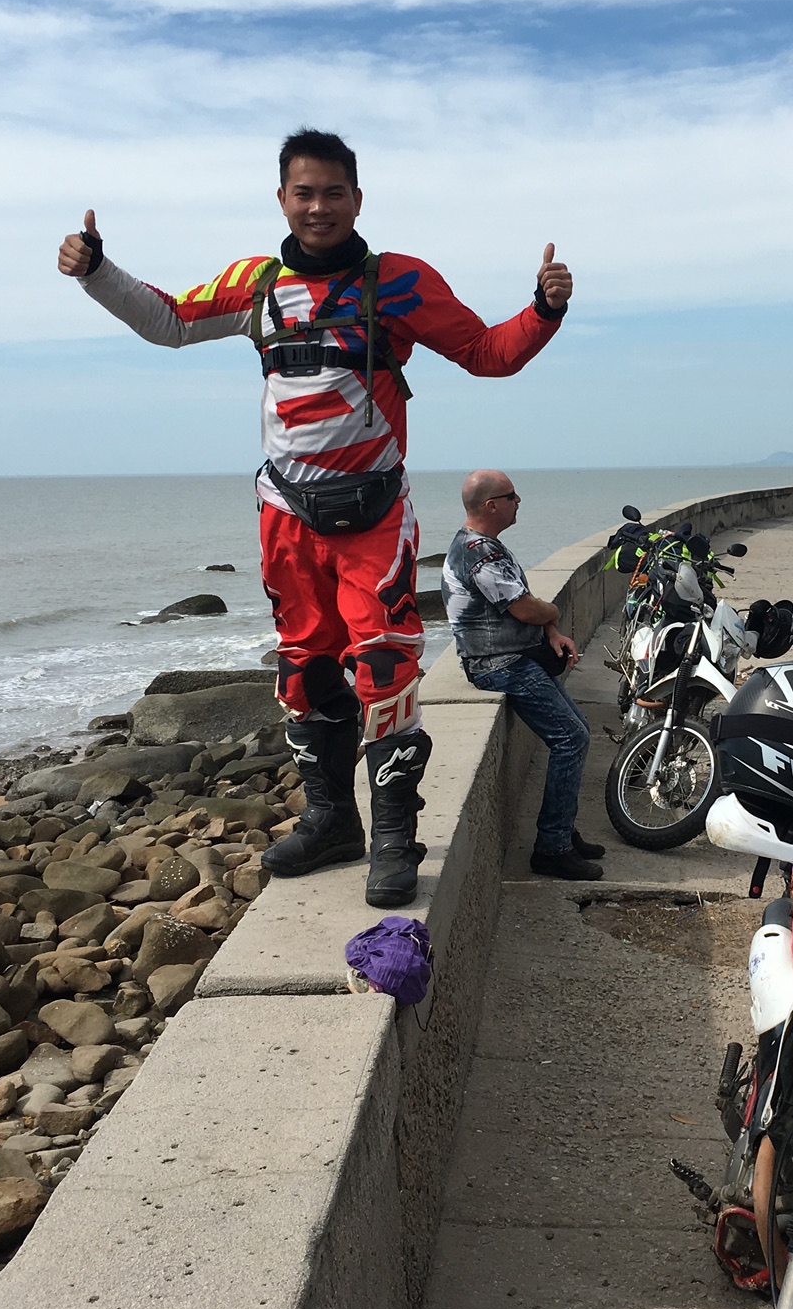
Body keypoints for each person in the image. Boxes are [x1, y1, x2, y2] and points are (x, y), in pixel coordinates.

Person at [57, 129, 572, 907]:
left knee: (389, 668)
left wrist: (542, 309)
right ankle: (333, 821)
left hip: (374, 518)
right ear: (282, 200)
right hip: (286, 516)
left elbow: (487, 353)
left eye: (334, 192)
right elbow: (169, 320)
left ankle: (395, 838)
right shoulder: (257, 283)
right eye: (305, 192)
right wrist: (97, 271)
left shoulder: (398, 283)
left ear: (357, 199)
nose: (319, 206)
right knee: (303, 668)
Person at [442, 471, 604, 881]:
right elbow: (526, 609)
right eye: (511, 496)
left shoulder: (487, 548)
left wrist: (552, 630)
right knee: (571, 738)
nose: (519, 501)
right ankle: (552, 847)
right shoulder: (479, 553)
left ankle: (562, 830)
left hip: (513, 657)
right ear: (490, 505)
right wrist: (550, 614)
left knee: (578, 729)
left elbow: (524, 605)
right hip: (497, 666)